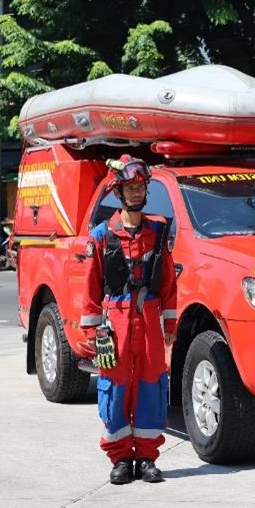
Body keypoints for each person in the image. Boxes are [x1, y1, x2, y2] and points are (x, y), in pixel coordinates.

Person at [80, 154, 177, 485]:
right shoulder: (101, 236)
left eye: (140, 186)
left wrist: (170, 324)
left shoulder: (159, 232)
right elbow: (91, 284)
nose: (137, 192)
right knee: (115, 386)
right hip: (114, 322)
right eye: (130, 187)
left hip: (149, 317)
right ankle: (121, 458)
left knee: (152, 384)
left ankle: (147, 457)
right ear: (118, 193)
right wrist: (92, 330)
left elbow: (168, 283)